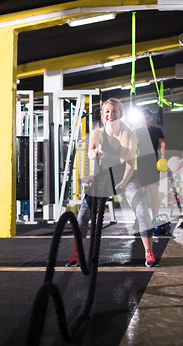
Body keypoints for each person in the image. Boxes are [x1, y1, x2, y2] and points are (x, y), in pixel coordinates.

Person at [66, 98, 158, 268]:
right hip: (103, 178)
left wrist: (123, 182)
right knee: (83, 215)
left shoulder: (129, 134)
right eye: (107, 111)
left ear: (121, 113)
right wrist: (94, 151)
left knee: (142, 209)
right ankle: (77, 253)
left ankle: (149, 252)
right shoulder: (96, 134)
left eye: (114, 111)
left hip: (126, 176)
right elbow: (90, 155)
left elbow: (130, 163)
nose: (111, 114)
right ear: (103, 115)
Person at [135, 108, 167, 224]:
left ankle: (154, 218)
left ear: (151, 118)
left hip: (153, 164)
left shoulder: (157, 130)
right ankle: (140, 218)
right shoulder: (136, 131)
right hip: (141, 164)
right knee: (140, 194)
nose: (145, 120)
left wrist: (163, 157)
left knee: (154, 192)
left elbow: (162, 144)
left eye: (147, 118)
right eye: (143, 118)